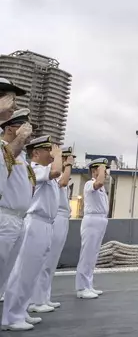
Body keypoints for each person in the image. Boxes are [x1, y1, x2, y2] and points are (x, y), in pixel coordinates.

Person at [1, 136, 62, 331]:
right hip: (35, 223)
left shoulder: (41, 171)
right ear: (35, 153)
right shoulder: (35, 168)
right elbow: (57, 171)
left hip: (46, 224)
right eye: (48, 151)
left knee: (32, 272)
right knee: (23, 272)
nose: (51, 155)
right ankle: (11, 316)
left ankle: (21, 310)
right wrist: (60, 154)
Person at [30, 146, 75, 311]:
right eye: (66, 158)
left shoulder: (55, 175)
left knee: (51, 262)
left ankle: (44, 297)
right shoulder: (48, 172)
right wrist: (66, 165)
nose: (69, 161)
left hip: (55, 218)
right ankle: (36, 300)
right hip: (49, 218)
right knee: (44, 262)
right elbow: (62, 180)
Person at [0, 108, 33, 305]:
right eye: (25, 127)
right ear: (12, 129)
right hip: (5, 216)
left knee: (6, 271)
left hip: (19, 218)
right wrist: (20, 138)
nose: (29, 133)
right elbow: (6, 157)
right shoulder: (5, 148)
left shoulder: (20, 156)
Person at [75, 157, 110, 300]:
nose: (106, 173)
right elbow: (99, 181)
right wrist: (101, 171)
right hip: (92, 221)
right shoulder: (90, 184)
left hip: (100, 220)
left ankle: (88, 285)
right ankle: (81, 288)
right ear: (95, 171)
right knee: (87, 254)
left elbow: (101, 183)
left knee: (93, 255)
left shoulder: (101, 188)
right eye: (103, 170)